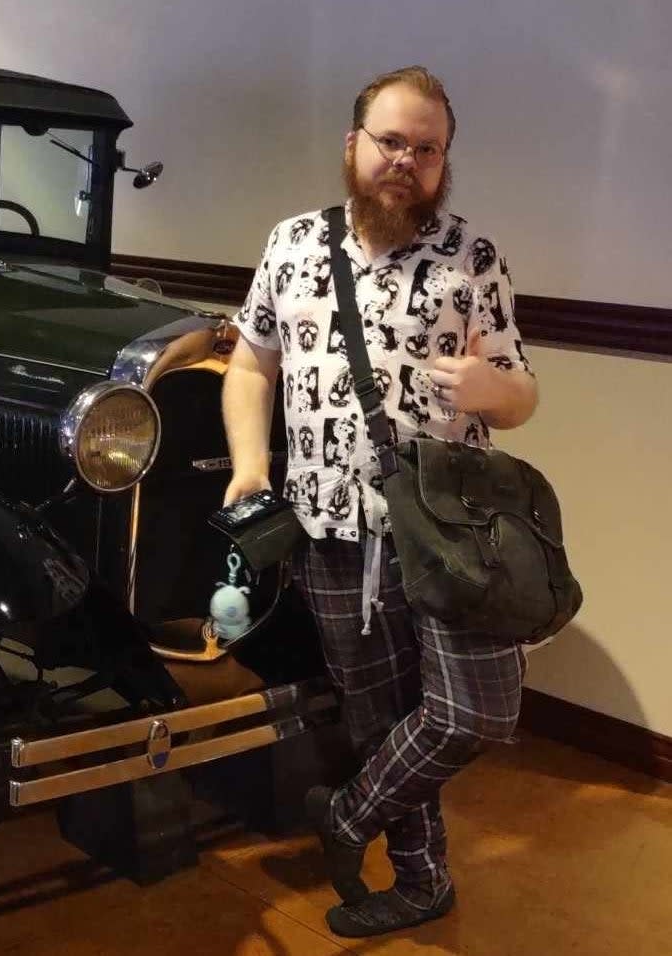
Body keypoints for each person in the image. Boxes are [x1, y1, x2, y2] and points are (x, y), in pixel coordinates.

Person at [221, 66, 538, 938]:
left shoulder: (473, 256)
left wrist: (489, 387)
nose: (406, 160)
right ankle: (420, 879)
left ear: (444, 163)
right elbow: (252, 365)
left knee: (477, 709)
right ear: (353, 145)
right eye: (391, 141)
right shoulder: (291, 245)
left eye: (426, 149)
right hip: (325, 525)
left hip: (448, 531)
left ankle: (348, 814)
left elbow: (522, 395)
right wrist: (251, 464)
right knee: (379, 717)